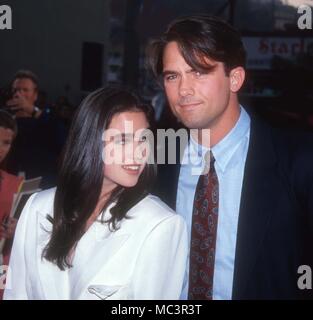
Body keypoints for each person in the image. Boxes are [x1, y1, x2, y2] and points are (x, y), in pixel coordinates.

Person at [147, 14, 313, 299]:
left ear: (235, 78)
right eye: (173, 76)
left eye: (199, 71)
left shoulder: (298, 161)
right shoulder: (154, 162)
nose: (183, 90)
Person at [4, 86, 187, 300]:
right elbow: (16, 294)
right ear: (90, 140)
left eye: (143, 139)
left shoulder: (160, 225)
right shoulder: (37, 206)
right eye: (123, 140)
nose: (138, 152)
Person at [5, 70, 60, 188]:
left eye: (25, 90)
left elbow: (62, 139)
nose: (19, 94)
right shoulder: (6, 122)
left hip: (42, 186)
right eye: (15, 90)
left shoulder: (48, 120)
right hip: (11, 185)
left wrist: (31, 110)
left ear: (35, 95)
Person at [0, 110, 24, 299]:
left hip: (4, 265)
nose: (0, 148)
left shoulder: (17, 184)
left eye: (6, 143)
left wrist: (18, 229)